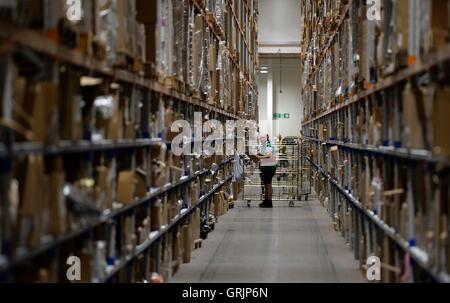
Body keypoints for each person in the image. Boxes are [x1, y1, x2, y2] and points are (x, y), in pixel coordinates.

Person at [255, 134, 277, 208]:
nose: (261, 139)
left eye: (263, 137)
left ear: (267, 138)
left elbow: (268, 155)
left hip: (269, 167)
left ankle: (269, 202)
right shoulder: (263, 145)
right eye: (260, 138)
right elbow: (262, 153)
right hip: (265, 167)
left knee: (268, 184)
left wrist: (259, 156)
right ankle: (266, 200)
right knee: (265, 184)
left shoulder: (268, 145)